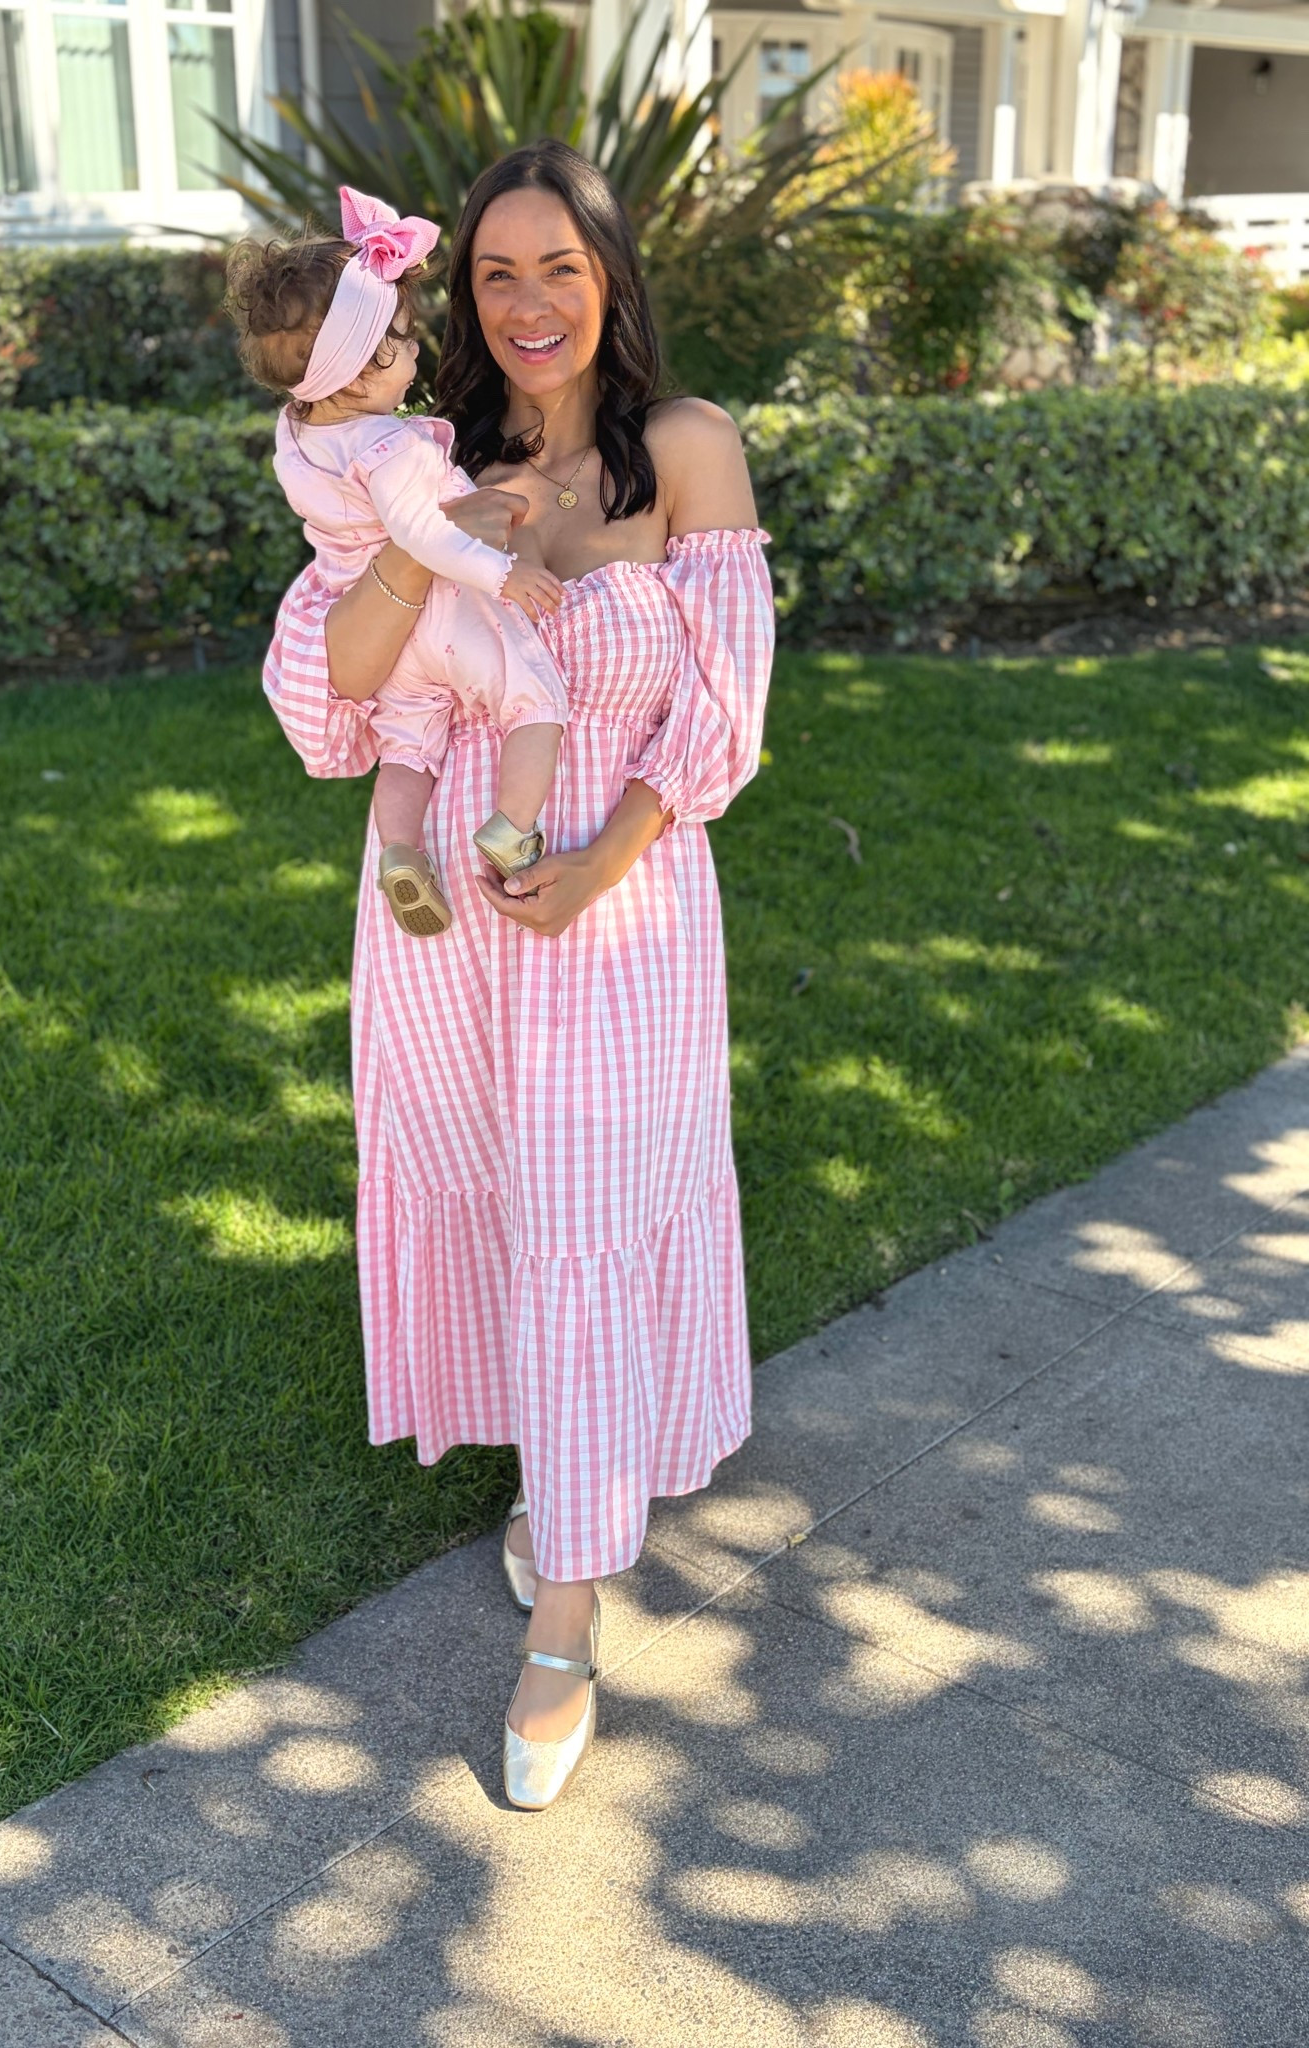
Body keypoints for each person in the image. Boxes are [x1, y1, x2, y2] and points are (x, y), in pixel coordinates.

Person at [261, 139, 774, 1809]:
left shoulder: (688, 449)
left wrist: (598, 863)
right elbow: (338, 703)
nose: (528, 301)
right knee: (500, 1199)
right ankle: (560, 1474)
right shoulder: (411, 452)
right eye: (494, 271)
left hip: (615, 911)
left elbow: (726, 711)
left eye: (560, 265)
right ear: (458, 294)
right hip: (444, 923)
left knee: (588, 1212)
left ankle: (568, 1613)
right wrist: (429, 535)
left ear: (612, 275)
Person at [229, 188, 569, 939]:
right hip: (442, 608)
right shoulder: (389, 448)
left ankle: (402, 854)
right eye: (406, 340)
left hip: (377, 623)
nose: (418, 352)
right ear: (356, 373)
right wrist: (503, 573)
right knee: (535, 699)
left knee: (409, 748)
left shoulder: (299, 440)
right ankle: (512, 829)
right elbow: (422, 536)